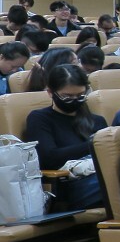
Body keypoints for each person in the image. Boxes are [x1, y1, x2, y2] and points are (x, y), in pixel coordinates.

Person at [25, 65, 106, 209]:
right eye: (67, 96)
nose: (75, 101)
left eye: (80, 96)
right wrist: (95, 143)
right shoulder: (39, 119)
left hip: (99, 175)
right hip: (68, 185)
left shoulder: (96, 120)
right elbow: (49, 158)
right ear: (50, 92)